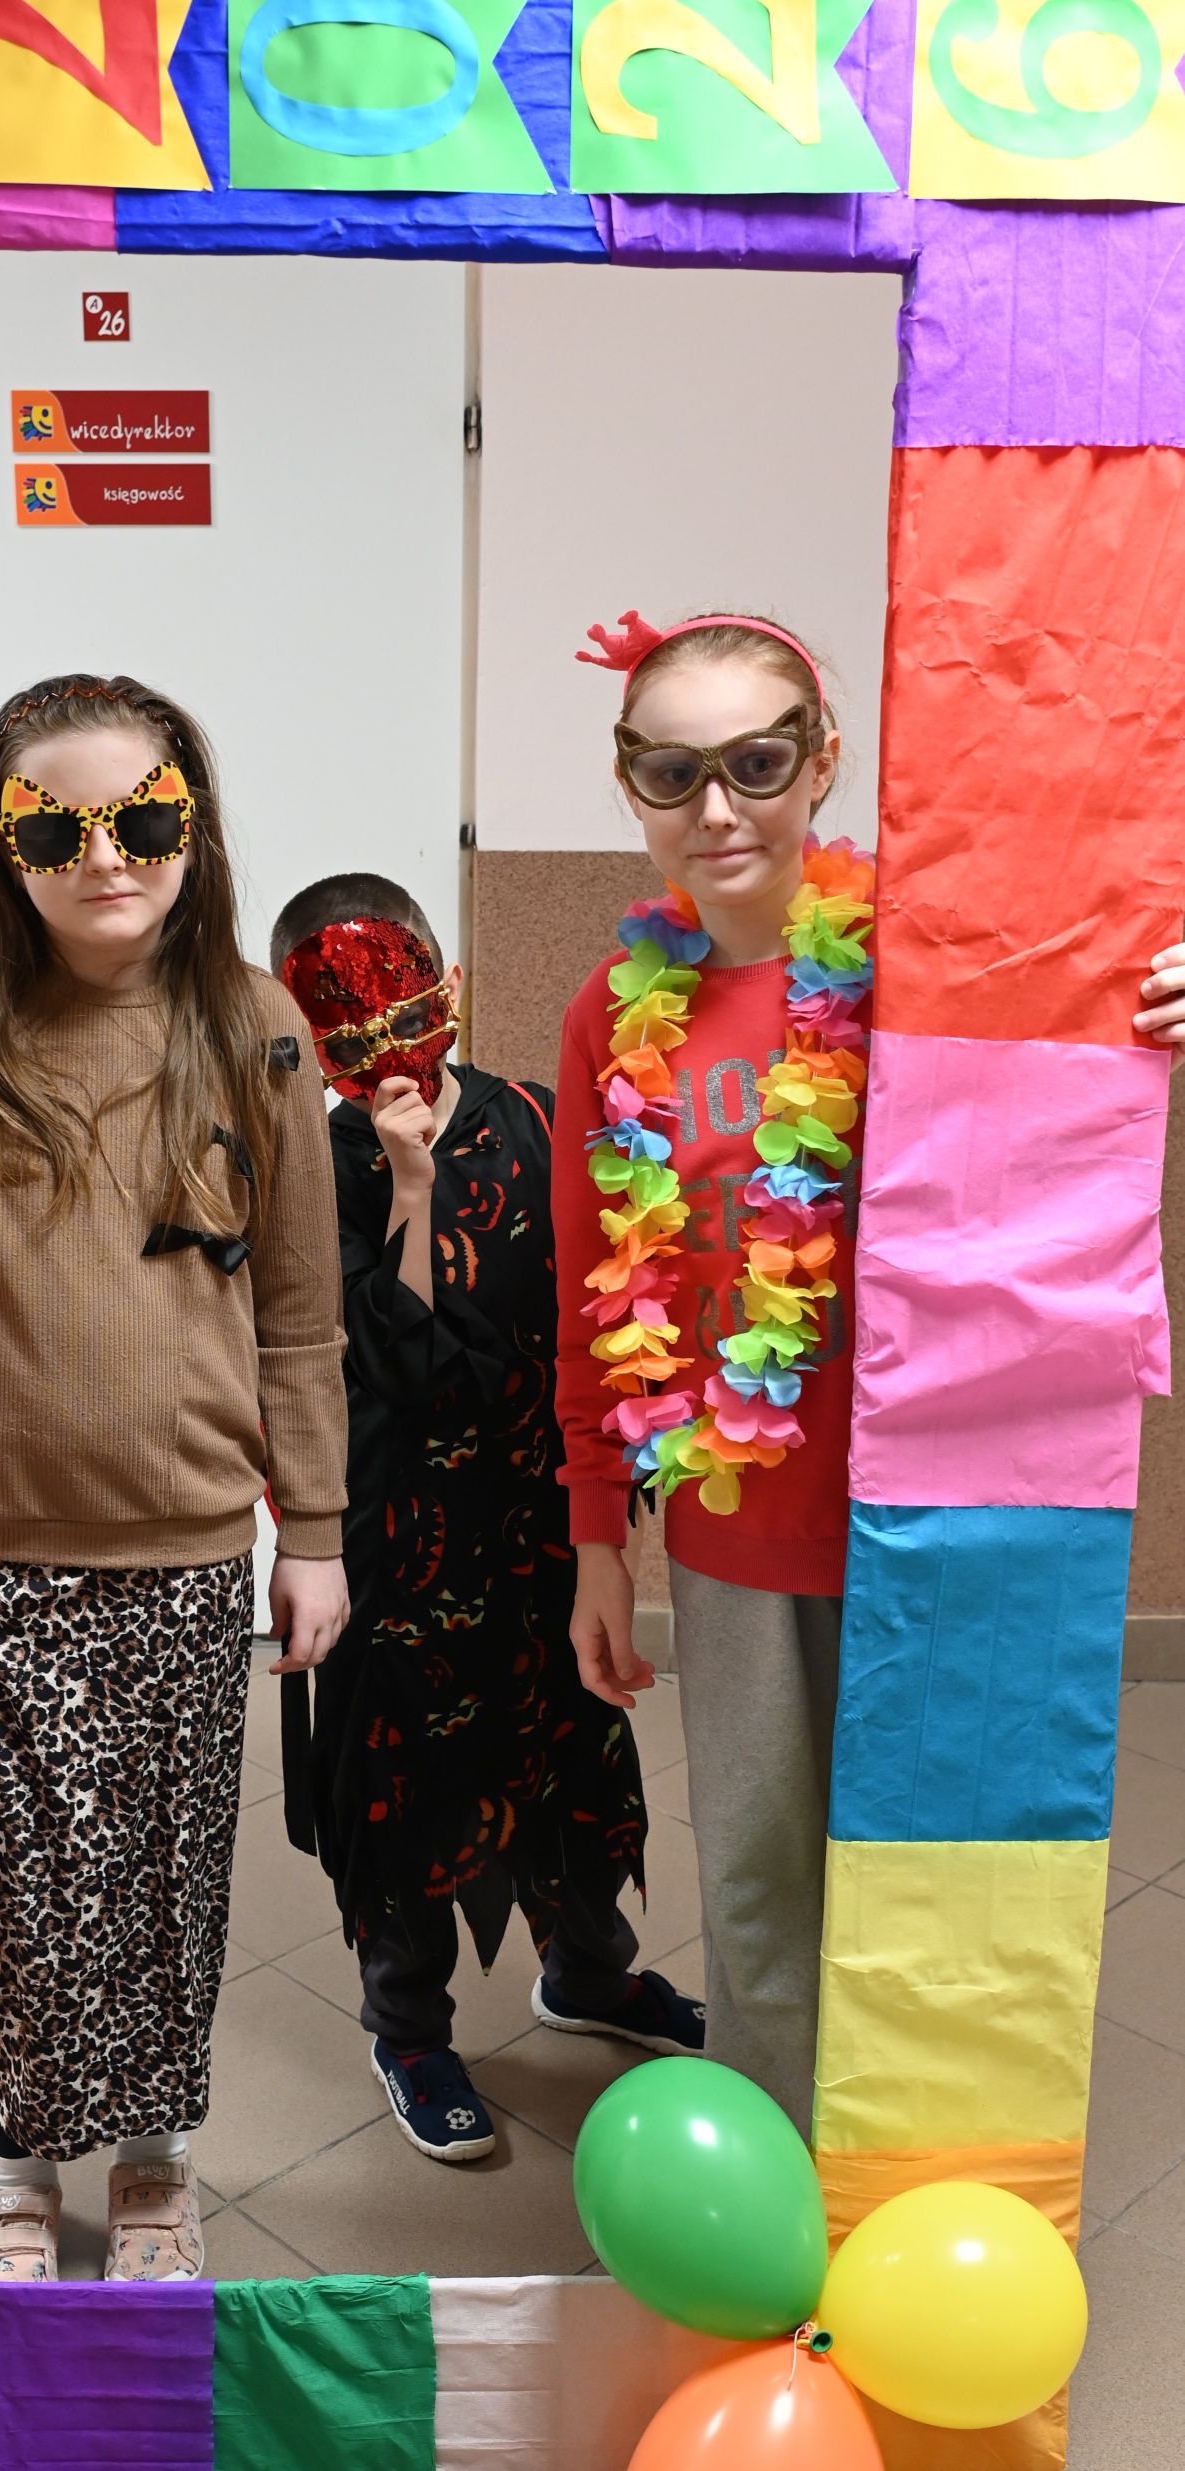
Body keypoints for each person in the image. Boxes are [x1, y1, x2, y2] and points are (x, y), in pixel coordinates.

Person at [551, 607, 1185, 2132]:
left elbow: (1094, 1032)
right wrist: (597, 1541)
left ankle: (927, 2163)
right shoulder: (612, 1019)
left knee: (935, 1878)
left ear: (823, 760)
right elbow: (588, 1301)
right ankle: (775, 2184)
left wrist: (1153, 1001)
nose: (716, 808)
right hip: (733, 1536)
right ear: (629, 784)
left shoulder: (942, 966)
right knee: (758, 1888)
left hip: (945, 1518)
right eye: (670, 772)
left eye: (756, 763)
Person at [0, 675, 349, 2283]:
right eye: (54, 828)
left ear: (193, 819)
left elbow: (300, 1310)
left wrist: (313, 1532)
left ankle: (153, 2162)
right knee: (26, 1881)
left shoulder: (252, 1024)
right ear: (3, 843)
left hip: (185, 1539)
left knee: (167, 1876)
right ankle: (17, 2157)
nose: (105, 857)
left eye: (144, 817)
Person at [272, 873, 701, 2167]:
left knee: (577, 1753)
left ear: (446, 986)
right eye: (346, 1034)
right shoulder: (313, 1164)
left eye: (403, 1011)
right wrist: (406, 1187)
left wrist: (614, 1499)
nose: (387, 1053)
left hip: (535, 1520)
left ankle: (589, 1971)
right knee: (402, 1791)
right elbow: (392, 1359)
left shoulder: (536, 1116)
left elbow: (607, 1302)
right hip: (399, 1541)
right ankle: (407, 2029)